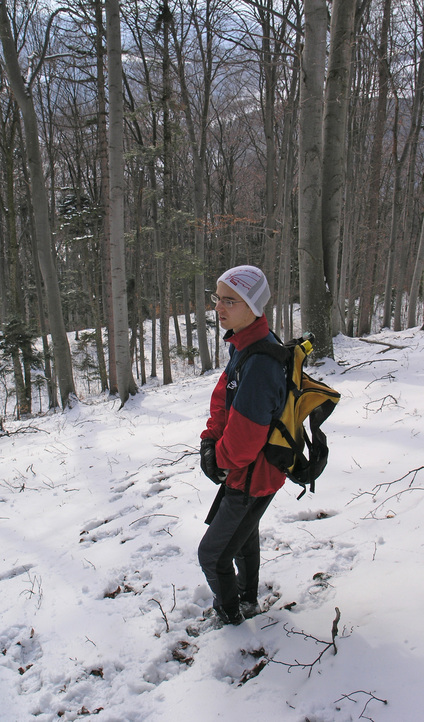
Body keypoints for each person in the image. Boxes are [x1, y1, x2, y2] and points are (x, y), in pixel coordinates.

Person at [198, 265, 287, 626]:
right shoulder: (245, 343)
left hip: (252, 476)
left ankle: (231, 614)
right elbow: (223, 398)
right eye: (217, 298)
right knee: (244, 536)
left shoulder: (261, 360)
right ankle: (246, 600)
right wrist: (209, 440)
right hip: (254, 473)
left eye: (229, 300)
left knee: (213, 555)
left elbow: (245, 441)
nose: (219, 307)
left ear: (254, 305)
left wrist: (217, 459)